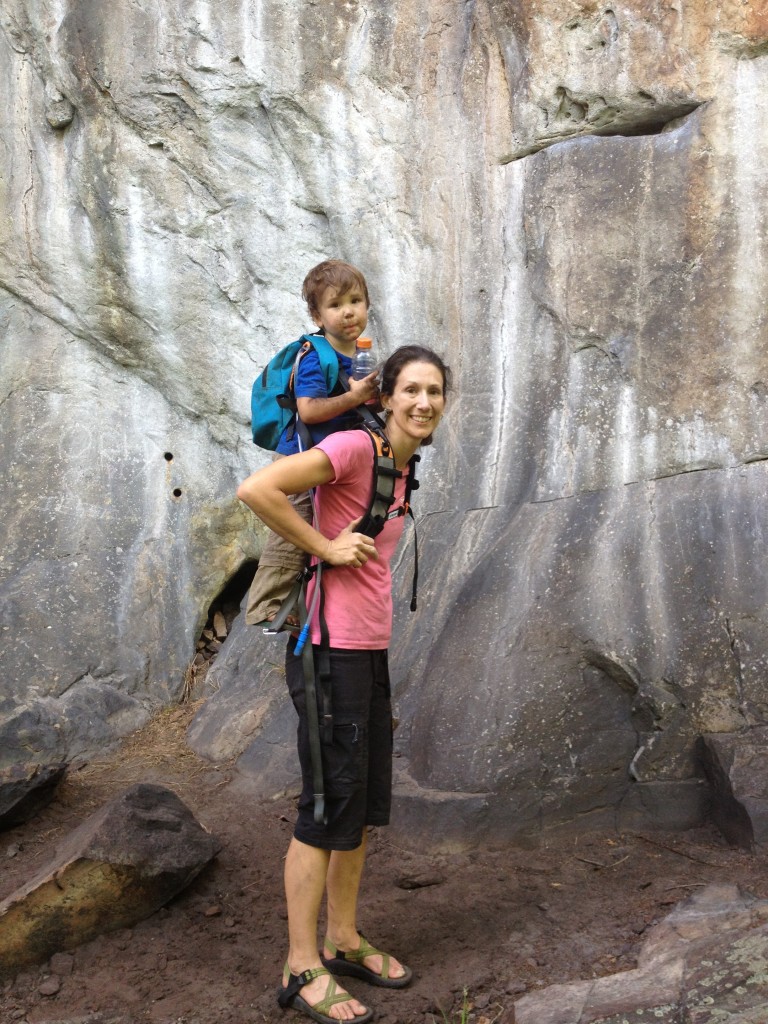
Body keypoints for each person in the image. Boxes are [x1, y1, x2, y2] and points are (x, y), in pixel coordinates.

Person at [237, 345, 452, 1023]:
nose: (423, 402)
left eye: (435, 392)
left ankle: (343, 937)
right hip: (328, 653)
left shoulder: (400, 461)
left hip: (366, 651)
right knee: (324, 811)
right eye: (411, 390)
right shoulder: (358, 446)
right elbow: (258, 490)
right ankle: (302, 967)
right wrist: (325, 547)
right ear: (384, 395)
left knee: (356, 809)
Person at [245, 259, 380, 627]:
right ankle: (265, 606)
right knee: (295, 525)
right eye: (335, 305)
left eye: (355, 301)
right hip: (301, 458)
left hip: (332, 462)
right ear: (317, 315)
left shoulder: (360, 355)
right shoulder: (315, 355)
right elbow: (309, 411)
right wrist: (355, 399)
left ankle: (306, 604)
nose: (348, 312)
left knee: (328, 530)